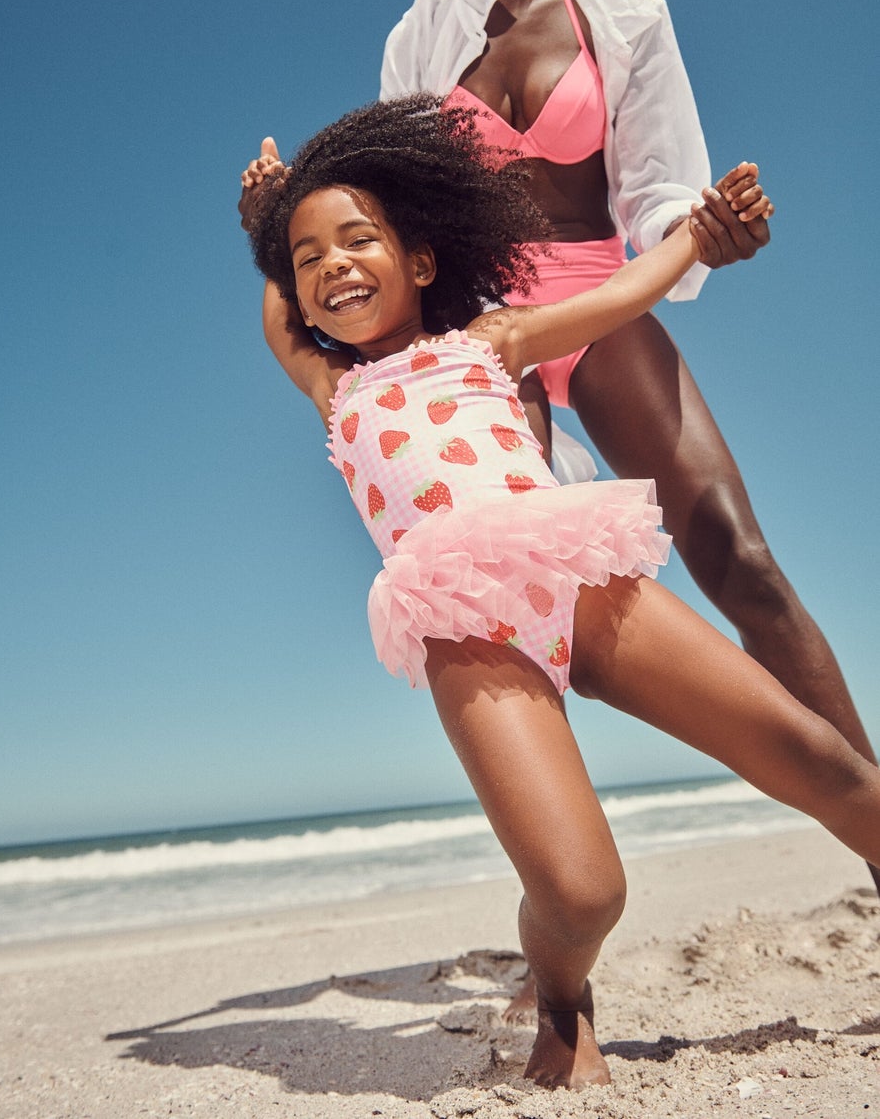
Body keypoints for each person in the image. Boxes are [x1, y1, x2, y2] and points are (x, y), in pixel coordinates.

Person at [243, 95, 880, 1091]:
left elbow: (625, 295)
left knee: (824, 762)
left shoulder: (490, 344)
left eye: (356, 239)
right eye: (308, 256)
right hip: (463, 627)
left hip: (574, 574)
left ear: (419, 259)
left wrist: (698, 236)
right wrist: (265, 220)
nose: (331, 266)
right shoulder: (335, 389)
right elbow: (279, 314)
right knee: (582, 896)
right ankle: (562, 998)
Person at [373, 0, 880, 895]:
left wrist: (704, 229)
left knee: (738, 558)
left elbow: (652, 188)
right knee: (518, 604)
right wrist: (277, 212)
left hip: (598, 296)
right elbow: (391, 201)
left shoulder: (628, 11)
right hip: (482, 335)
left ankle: (877, 843)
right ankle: (565, 932)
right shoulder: (420, 35)